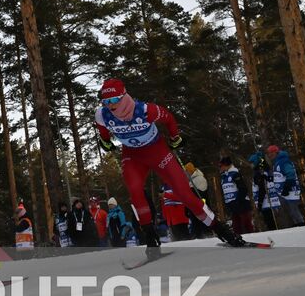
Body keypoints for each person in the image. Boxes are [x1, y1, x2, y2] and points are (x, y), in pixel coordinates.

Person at [93, 77, 251, 259]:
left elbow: (168, 118)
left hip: (157, 152)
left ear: (124, 96)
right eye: (106, 101)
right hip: (133, 156)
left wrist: (175, 138)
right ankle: (151, 241)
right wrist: (105, 141)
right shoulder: (102, 114)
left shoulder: (145, 110)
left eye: (114, 100)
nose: (110, 105)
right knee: (135, 191)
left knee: (185, 194)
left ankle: (223, 231)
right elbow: (102, 129)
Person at [266, 144, 305, 226]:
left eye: (271, 153)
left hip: (290, 191)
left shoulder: (284, 161)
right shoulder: (277, 163)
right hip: (284, 192)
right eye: (268, 153)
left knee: (294, 211)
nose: (269, 155)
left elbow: (290, 174)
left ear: (276, 152)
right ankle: (297, 227)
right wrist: (271, 179)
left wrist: (287, 188)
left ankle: (302, 226)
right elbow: (279, 176)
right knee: (291, 213)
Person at [217, 155, 254, 235]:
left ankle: (253, 238)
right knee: (236, 226)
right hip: (233, 205)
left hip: (242, 204)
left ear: (226, 165)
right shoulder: (224, 177)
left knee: (246, 224)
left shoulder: (235, 174)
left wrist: (238, 201)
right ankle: (239, 240)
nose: (220, 168)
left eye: (221, 166)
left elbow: (243, 189)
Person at [249, 150, 279, 231]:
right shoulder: (264, 169)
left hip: (266, 202)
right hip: (270, 201)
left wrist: (260, 203)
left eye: (251, 162)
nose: (250, 165)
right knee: (270, 221)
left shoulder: (259, 172)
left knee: (270, 221)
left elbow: (262, 189)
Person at [184, 162, 212, 237]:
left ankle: (206, 235)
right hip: (195, 207)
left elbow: (201, 194)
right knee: (196, 224)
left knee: (202, 224)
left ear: (190, 171)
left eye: (186, 171)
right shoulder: (190, 180)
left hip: (201, 206)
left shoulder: (199, 178)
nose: (185, 173)